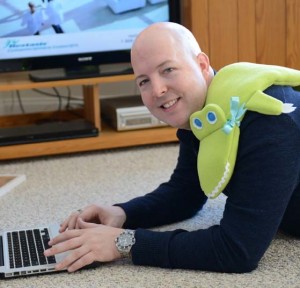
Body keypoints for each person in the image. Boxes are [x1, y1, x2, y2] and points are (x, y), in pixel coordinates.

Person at [44, 22, 300, 273]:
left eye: (167, 69)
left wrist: (123, 243)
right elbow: (185, 193)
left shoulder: (270, 118)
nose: (157, 90)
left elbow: (236, 250)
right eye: (144, 81)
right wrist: (122, 213)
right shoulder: (208, 112)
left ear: (202, 64)